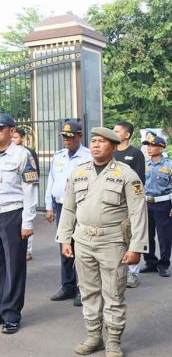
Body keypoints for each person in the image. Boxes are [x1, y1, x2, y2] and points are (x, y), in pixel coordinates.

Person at [55, 127, 148, 357]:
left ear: (114, 147)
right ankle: (94, 336)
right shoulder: (78, 172)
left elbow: (138, 213)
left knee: (114, 294)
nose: (96, 145)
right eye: (94, 141)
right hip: (83, 240)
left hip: (113, 241)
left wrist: (136, 247)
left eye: (102, 142)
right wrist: (65, 238)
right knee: (88, 292)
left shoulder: (127, 175)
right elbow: (68, 208)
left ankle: (114, 340)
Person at [0, 113, 38, 334]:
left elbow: (30, 191)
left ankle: (11, 314)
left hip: (13, 215)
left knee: (14, 266)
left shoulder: (22, 156)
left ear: (12, 131)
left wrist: (28, 222)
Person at [44, 119, 90, 306]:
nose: (67, 140)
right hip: (61, 206)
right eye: (64, 136)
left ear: (79, 136)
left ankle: (82, 288)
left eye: (70, 137)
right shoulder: (59, 156)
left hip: (81, 207)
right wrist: (48, 206)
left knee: (81, 248)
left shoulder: (88, 156)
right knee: (64, 246)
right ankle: (68, 285)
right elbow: (51, 181)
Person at [112, 121, 147, 288]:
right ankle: (119, 270)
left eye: (117, 131)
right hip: (113, 203)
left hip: (129, 202)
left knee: (131, 235)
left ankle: (133, 273)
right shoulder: (111, 152)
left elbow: (139, 181)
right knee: (116, 238)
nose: (114, 132)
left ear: (126, 135)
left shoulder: (135, 153)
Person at [140, 135, 172, 278]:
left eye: (152, 145)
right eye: (148, 145)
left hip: (163, 204)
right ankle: (150, 262)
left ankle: (164, 264)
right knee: (147, 235)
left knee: (164, 236)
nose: (149, 148)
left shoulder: (169, 165)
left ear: (161, 147)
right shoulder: (144, 164)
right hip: (146, 203)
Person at [12, 128, 39, 261]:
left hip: (25, 194)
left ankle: (28, 250)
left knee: (26, 222)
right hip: (13, 198)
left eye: (15, 137)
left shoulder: (28, 153)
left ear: (22, 138)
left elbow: (33, 175)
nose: (13, 139)